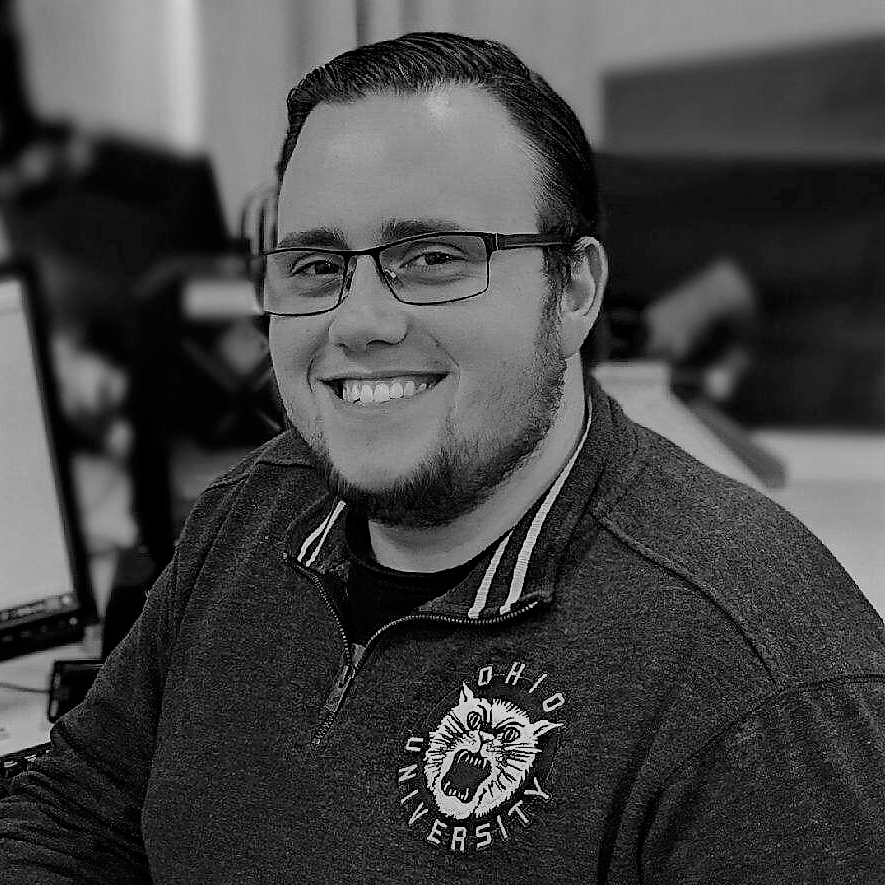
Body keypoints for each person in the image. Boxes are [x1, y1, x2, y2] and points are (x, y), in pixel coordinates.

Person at [2, 31, 884, 884]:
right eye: (315, 265)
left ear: (574, 290)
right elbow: (79, 811)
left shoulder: (764, 694)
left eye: (432, 256)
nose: (358, 321)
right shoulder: (255, 508)